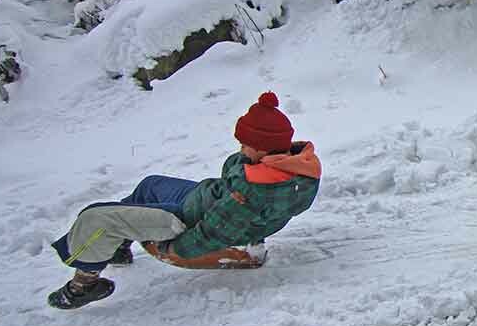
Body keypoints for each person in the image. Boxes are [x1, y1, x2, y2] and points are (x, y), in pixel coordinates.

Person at [47, 92, 322, 309]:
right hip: (207, 199)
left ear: (262, 148)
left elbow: (216, 231)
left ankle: (83, 285)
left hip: (191, 219)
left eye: (244, 143)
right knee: (150, 185)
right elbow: (234, 184)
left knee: (96, 218)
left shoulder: (252, 190)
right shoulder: (293, 166)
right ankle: (119, 246)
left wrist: (176, 250)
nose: (240, 148)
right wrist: (244, 163)